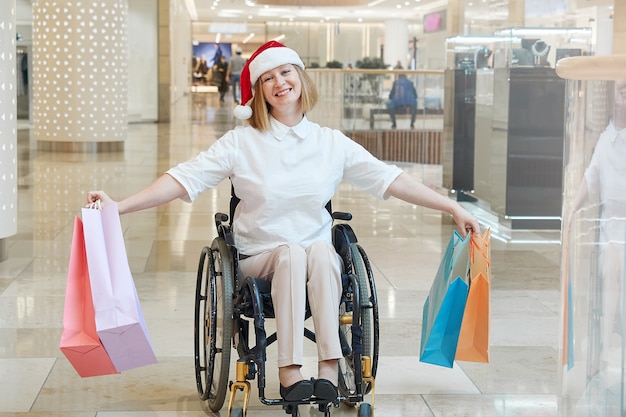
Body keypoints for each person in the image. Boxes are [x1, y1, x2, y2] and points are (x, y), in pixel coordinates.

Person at [86, 41, 479, 403]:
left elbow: (391, 179)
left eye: (286, 72)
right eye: (268, 78)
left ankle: (328, 369)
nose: (279, 83)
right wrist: (119, 206)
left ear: (301, 79)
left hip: (318, 262)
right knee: (292, 253)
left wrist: (451, 208)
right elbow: (183, 178)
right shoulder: (241, 143)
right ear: (258, 92)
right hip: (257, 260)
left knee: (323, 253)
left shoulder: (330, 142)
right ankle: (289, 371)